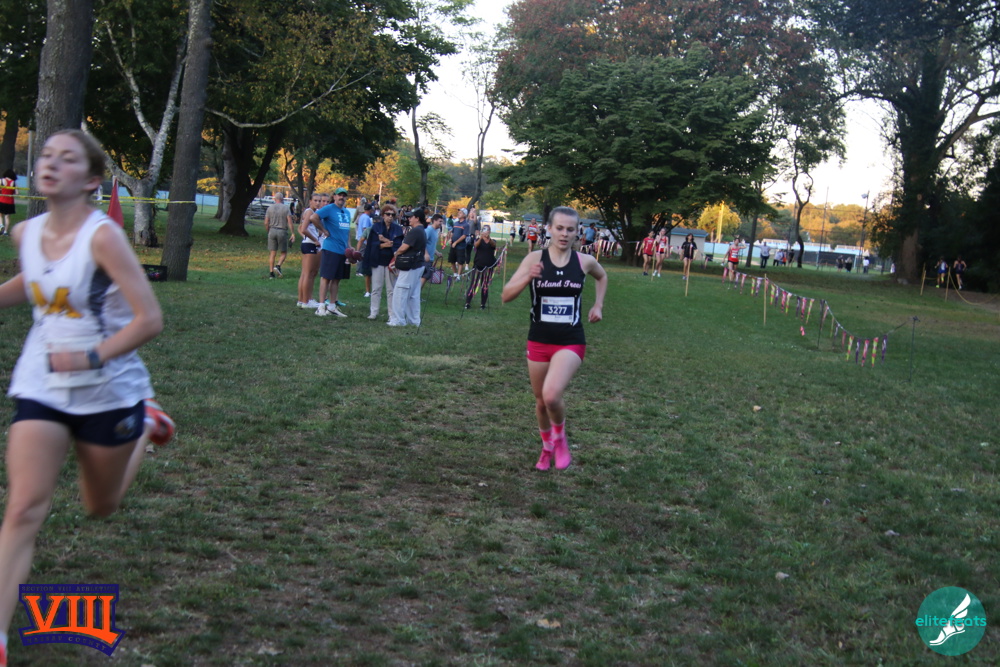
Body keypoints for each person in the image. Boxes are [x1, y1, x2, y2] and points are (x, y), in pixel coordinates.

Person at [0, 130, 175, 667]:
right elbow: (37, 282)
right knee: (24, 506)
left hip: (107, 388)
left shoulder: (103, 237)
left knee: (101, 506)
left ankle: (146, 423)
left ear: (91, 179)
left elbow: (149, 319)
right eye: (46, 155)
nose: (51, 163)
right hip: (42, 382)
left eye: (67, 158)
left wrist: (90, 357)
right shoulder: (25, 231)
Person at [501, 206, 607, 472]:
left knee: (550, 395)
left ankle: (560, 439)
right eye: (559, 228)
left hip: (571, 340)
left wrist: (598, 305)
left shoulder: (584, 261)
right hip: (538, 339)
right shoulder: (535, 259)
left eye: (570, 229)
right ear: (549, 229)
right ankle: (547, 447)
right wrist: (528, 277)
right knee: (540, 402)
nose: (564, 234)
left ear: (577, 232)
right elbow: (505, 295)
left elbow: (602, 275)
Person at [315, 187, 352, 317]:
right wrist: (323, 230)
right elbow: (314, 217)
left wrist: (349, 246)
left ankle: (332, 306)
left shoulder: (347, 212)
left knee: (337, 279)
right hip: (330, 248)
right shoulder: (329, 208)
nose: (342, 197)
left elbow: (347, 231)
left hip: (342, 250)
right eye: (339, 195)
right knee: (326, 277)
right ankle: (321, 306)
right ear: (334, 196)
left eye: (344, 195)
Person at [389, 207, 428, 326]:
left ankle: (398, 320)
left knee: (400, 292)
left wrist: (396, 254)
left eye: (411, 217)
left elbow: (404, 247)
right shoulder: (422, 231)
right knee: (413, 295)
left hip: (410, 266)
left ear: (417, 218)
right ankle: (414, 320)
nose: (409, 219)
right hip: (418, 265)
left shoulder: (415, 231)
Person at [366, 205, 403, 321]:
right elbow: (371, 244)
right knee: (376, 288)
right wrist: (382, 245)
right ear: (383, 215)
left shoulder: (398, 229)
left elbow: (397, 245)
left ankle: (392, 314)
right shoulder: (376, 227)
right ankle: (373, 312)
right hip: (377, 260)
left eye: (393, 215)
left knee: (391, 289)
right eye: (388, 214)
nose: (390, 217)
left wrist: (384, 240)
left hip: (390, 262)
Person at [296, 192, 327, 308]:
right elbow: (303, 229)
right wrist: (315, 240)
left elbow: (302, 228)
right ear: (310, 201)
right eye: (316, 200)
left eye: (319, 201)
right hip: (310, 245)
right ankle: (306, 301)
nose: (318, 203)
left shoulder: (312, 212)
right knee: (309, 274)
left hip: (307, 244)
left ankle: (302, 299)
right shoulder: (309, 212)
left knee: (306, 274)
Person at [466, 224, 498, 310]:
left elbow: (494, 246)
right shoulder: (478, 240)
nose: (486, 231)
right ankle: (467, 303)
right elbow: (476, 245)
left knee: (484, 285)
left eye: (487, 230)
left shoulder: (492, 241)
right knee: (473, 284)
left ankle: (482, 304)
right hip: (478, 265)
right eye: (484, 229)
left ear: (489, 231)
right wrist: (481, 237)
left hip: (488, 267)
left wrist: (488, 238)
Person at [264, 191, 294, 279]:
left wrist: (268, 231)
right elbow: (290, 222)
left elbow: (266, 222)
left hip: (272, 230)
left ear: (275, 199)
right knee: (283, 252)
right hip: (282, 231)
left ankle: (271, 273)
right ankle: (278, 266)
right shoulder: (286, 208)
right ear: (282, 199)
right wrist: (292, 233)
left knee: (272, 253)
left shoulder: (269, 208)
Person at [355, 202, 374, 297]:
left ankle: (360, 270)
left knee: (361, 255)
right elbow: (365, 229)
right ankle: (359, 271)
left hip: (359, 237)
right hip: (364, 240)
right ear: (369, 210)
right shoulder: (366, 218)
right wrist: (367, 241)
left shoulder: (362, 216)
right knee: (362, 256)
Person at [421, 213, 444, 288]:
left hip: (430, 258)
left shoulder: (435, 231)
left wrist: (437, 253)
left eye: (442, 221)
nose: (441, 223)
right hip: (425, 259)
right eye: (440, 221)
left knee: (426, 277)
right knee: (424, 277)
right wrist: (426, 254)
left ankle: (417, 294)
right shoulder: (429, 230)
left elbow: (431, 245)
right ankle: (416, 294)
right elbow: (422, 242)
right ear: (434, 221)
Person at [448, 208, 469, 276]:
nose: (458, 213)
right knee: (452, 260)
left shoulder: (466, 225)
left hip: (460, 246)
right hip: (453, 244)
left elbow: (464, 236)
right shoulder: (456, 223)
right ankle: (455, 273)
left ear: (464, 215)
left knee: (460, 261)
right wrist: (451, 239)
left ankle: (458, 276)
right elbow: (453, 232)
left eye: (460, 213)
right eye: (459, 212)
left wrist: (456, 242)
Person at [0, 169, 16, 235]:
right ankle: (5, 231)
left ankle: (1, 225)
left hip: (2, 200)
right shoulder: (14, 182)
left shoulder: (1, 180)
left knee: (0, 214)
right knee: (7, 217)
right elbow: (17, 192)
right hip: (10, 202)